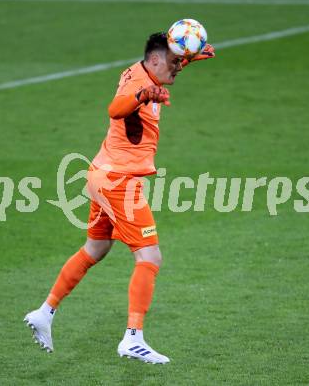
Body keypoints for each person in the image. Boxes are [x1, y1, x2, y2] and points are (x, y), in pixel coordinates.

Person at [24, 32, 215, 364]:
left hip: (100, 174)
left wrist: (190, 57)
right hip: (119, 182)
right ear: (155, 61)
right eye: (174, 62)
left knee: (95, 248)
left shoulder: (140, 69)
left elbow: (159, 72)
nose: (178, 68)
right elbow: (116, 109)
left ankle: (44, 311)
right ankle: (133, 338)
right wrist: (144, 94)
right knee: (150, 258)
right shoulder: (137, 86)